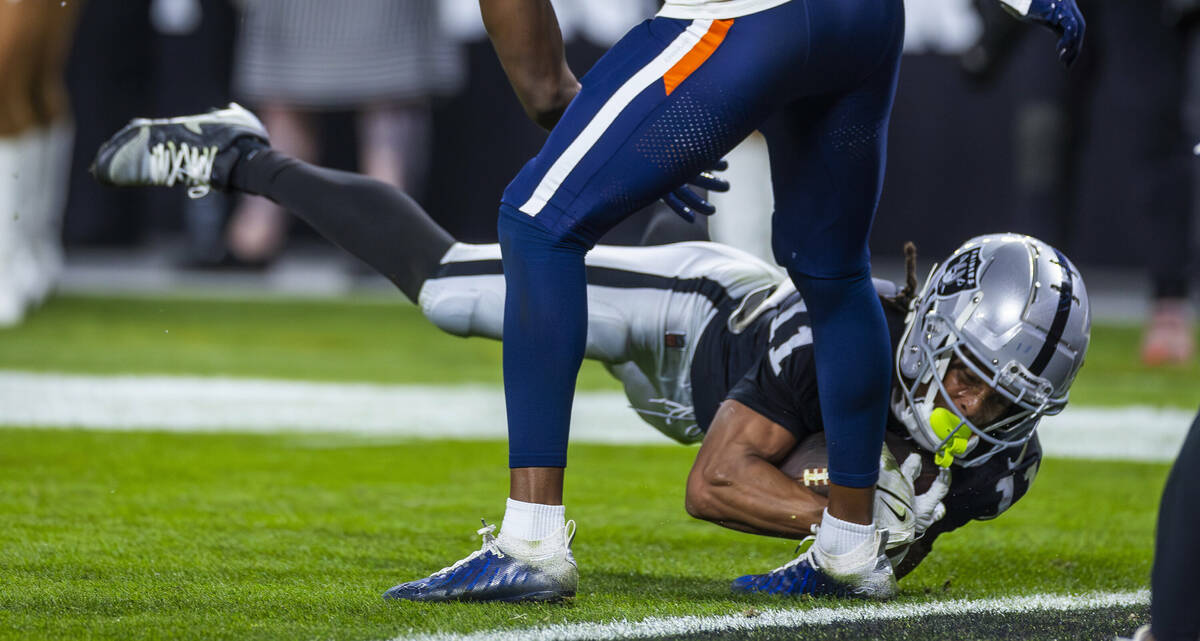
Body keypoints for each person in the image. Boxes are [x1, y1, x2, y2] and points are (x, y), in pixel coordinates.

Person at [90, 104, 1093, 598]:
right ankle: (243, 153)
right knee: (447, 286)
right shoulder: (842, 334)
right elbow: (714, 483)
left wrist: (865, 515)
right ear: (928, 327)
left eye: (1003, 398)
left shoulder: (1003, 468)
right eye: (964, 371)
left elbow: (869, 531)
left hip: (721, 375)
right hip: (689, 319)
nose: (970, 408)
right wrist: (844, 512)